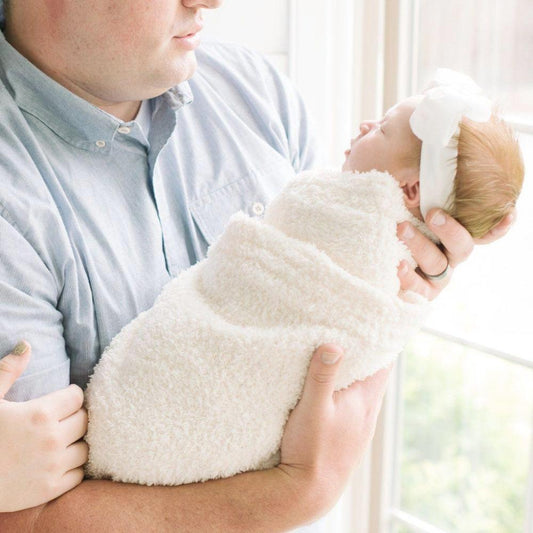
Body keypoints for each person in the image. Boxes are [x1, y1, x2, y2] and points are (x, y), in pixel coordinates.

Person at [0, 0, 514, 530]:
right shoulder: (11, 205)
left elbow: (339, 323)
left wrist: (406, 279)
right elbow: (31, 520)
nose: (211, 2)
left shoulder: (253, 90)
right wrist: (298, 493)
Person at [84, 73, 523, 488]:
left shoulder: (358, 226)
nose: (365, 124)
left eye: (382, 130)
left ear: (410, 190)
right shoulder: (349, 209)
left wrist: (408, 303)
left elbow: (365, 328)